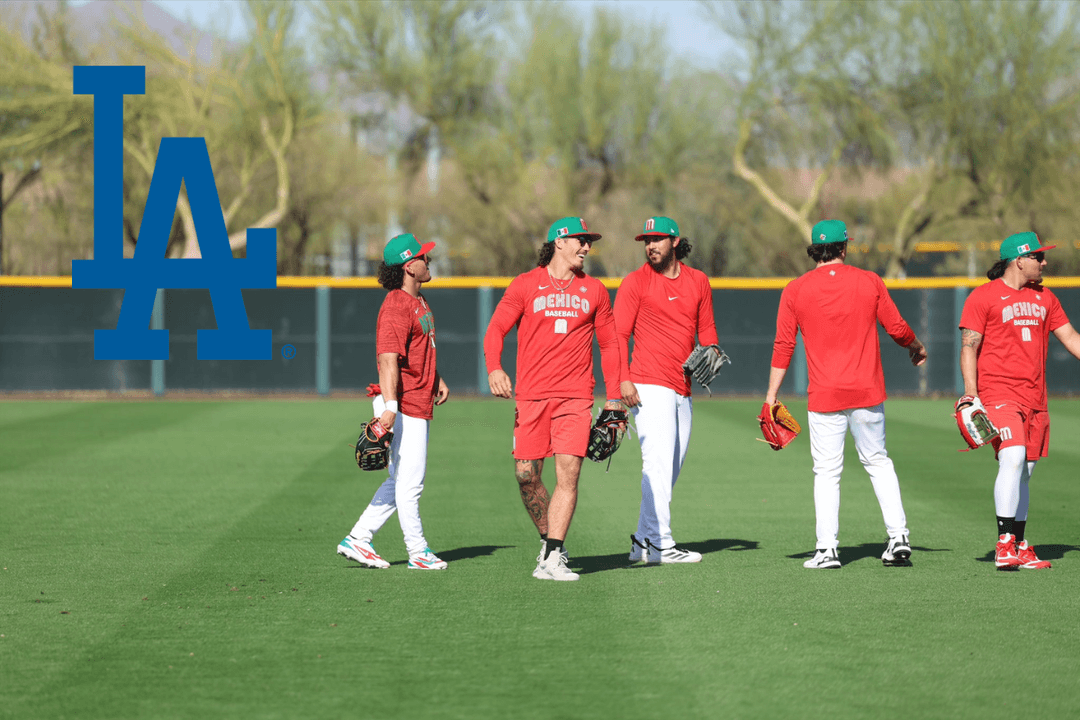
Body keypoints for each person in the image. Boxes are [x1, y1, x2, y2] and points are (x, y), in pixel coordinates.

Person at [764, 219, 927, 569]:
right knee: (879, 462)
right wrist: (915, 345)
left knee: (826, 472)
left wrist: (770, 396)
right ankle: (898, 537)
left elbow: (783, 344)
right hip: (868, 391)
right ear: (844, 248)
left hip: (824, 396)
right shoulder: (869, 281)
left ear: (814, 250)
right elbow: (896, 327)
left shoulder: (795, 289)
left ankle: (827, 551)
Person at [484, 217, 626, 582]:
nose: (587, 247)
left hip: (575, 397)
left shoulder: (594, 290)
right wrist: (495, 368)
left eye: (588, 241)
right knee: (525, 475)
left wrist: (613, 398)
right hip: (531, 397)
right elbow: (496, 329)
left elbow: (609, 344)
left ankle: (553, 554)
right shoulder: (525, 285)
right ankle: (549, 543)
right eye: (581, 240)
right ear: (559, 242)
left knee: (569, 474)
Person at [958, 231, 1080, 570]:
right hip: (999, 395)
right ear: (1020, 260)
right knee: (1012, 458)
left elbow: (1071, 337)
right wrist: (971, 393)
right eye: (1038, 257)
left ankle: (1021, 544)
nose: (1044, 262)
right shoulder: (983, 297)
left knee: (1024, 471)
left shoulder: (1046, 298)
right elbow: (969, 346)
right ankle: (1004, 543)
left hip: (1036, 399)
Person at [337, 233, 450, 571]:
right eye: (421, 257)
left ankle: (358, 538)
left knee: (398, 480)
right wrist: (390, 408)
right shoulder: (396, 306)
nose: (427, 260)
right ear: (407, 266)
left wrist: (437, 376)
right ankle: (418, 551)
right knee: (410, 482)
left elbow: (418, 349)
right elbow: (388, 359)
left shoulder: (419, 300)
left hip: (414, 399)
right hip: (402, 404)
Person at [614, 216, 718, 564]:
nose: (650, 246)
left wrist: (713, 350)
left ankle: (643, 542)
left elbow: (708, 330)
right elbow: (618, 336)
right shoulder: (635, 283)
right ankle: (662, 544)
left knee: (670, 467)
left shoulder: (698, 281)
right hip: (647, 382)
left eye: (657, 239)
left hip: (682, 386)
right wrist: (622, 380)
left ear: (674, 241)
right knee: (656, 464)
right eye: (646, 240)